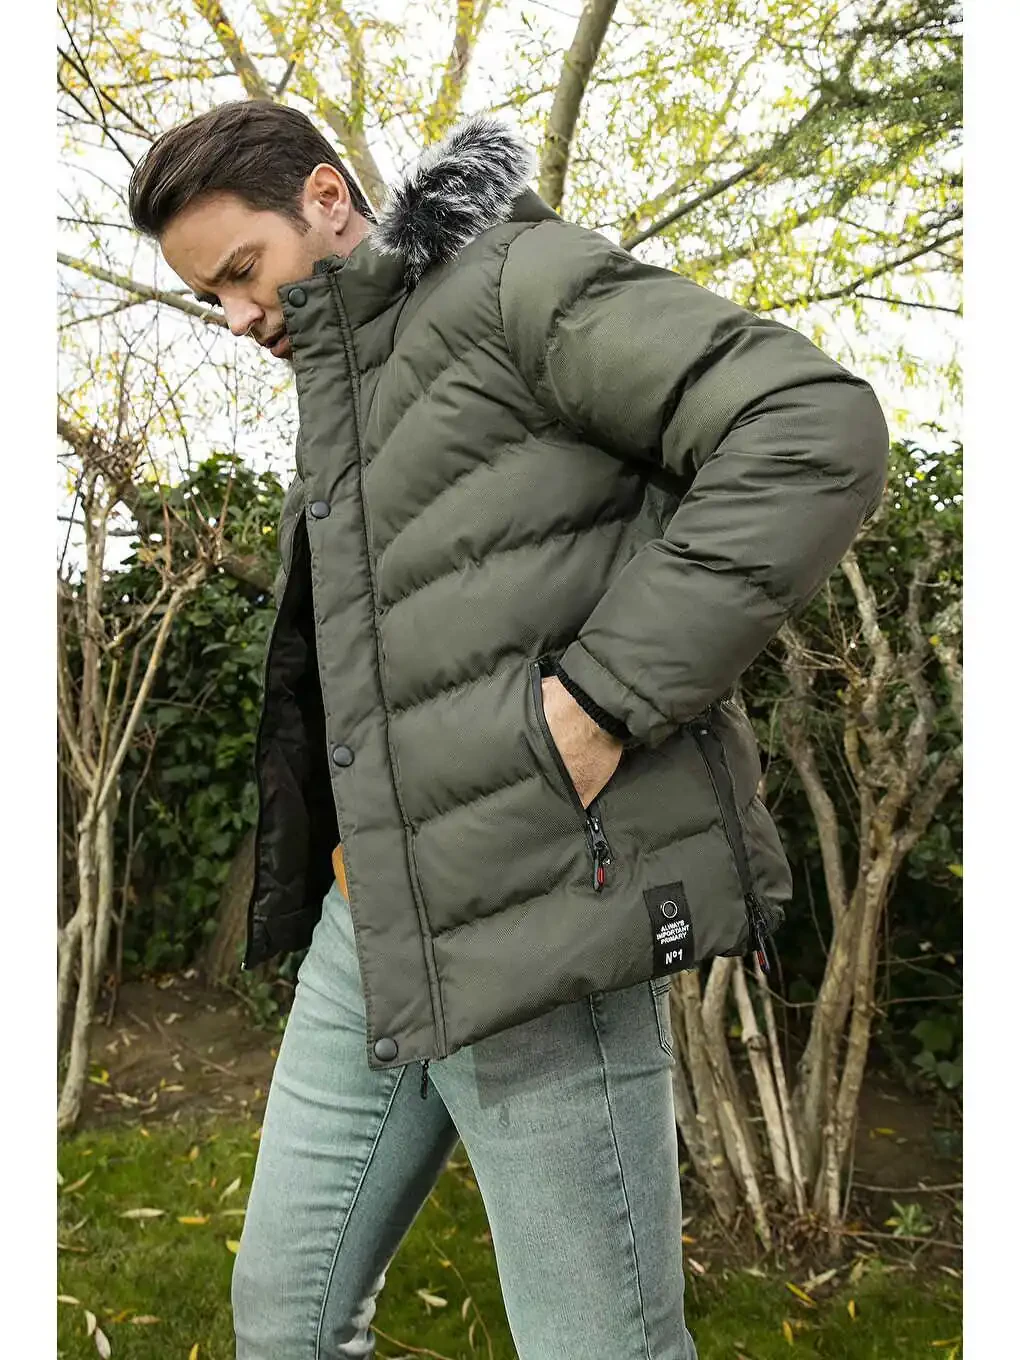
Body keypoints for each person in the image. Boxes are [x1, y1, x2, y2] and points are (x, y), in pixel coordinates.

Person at [128, 99, 888, 1359]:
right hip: (372, 923)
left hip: (538, 922)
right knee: (284, 1316)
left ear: (326, 199)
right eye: (212, 296)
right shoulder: (346, 395)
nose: (238, 316)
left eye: (242, 273)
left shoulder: (511, 284)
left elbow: (810, 426)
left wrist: (603, 698)